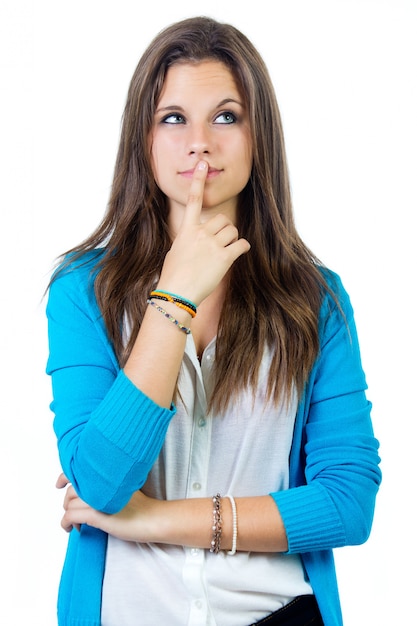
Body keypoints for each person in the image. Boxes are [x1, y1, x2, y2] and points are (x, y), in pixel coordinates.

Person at [46, 15, 381, 626]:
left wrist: (152, 520)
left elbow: (347, 503)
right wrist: (173, 298)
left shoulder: (317, 299)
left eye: (226, 116)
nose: (199, 141)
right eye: (173, 118)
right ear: (142, 140)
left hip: (277, 614)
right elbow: (100, 482)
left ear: (259, 138)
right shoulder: (82, 291)